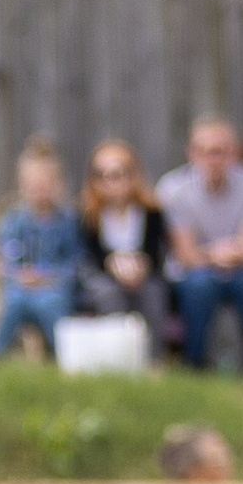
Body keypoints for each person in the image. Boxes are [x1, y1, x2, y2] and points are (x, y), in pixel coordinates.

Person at [155, 116, 243, 370]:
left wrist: (229, 255)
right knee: (199, 285)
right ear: (192, 154)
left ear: (234, 153)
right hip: (194, 270)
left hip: (242, 267)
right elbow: (186, 254)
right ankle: (193, 362)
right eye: (205, 152)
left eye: (220, 152)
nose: (213, 159)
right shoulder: (173, 189)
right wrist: (216, 255)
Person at [77, 137, 173, 352]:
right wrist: (112, 266)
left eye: (118, 174)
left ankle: (152, 357)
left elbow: (158, 254)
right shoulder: (89, 216)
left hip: (143, 276)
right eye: (103, 176)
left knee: (153, 293)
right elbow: (90, 257)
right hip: (104, 278)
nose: (111, 183)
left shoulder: (151, 213)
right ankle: (116, 355)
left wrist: (141, 268)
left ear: (132, 175)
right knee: (109, 294)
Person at [0, 140, 78, 357]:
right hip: (21, 288)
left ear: (58, 184)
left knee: (49, 303)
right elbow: (6, 263)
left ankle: (64, 355)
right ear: (22, 185)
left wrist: (47, 277)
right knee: (14, 301)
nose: (38, 190)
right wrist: (20, 276)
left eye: (44, 184)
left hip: (55, 288)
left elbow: (75, 264)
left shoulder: (68, 222)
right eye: (32, 185)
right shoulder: (13, 222)